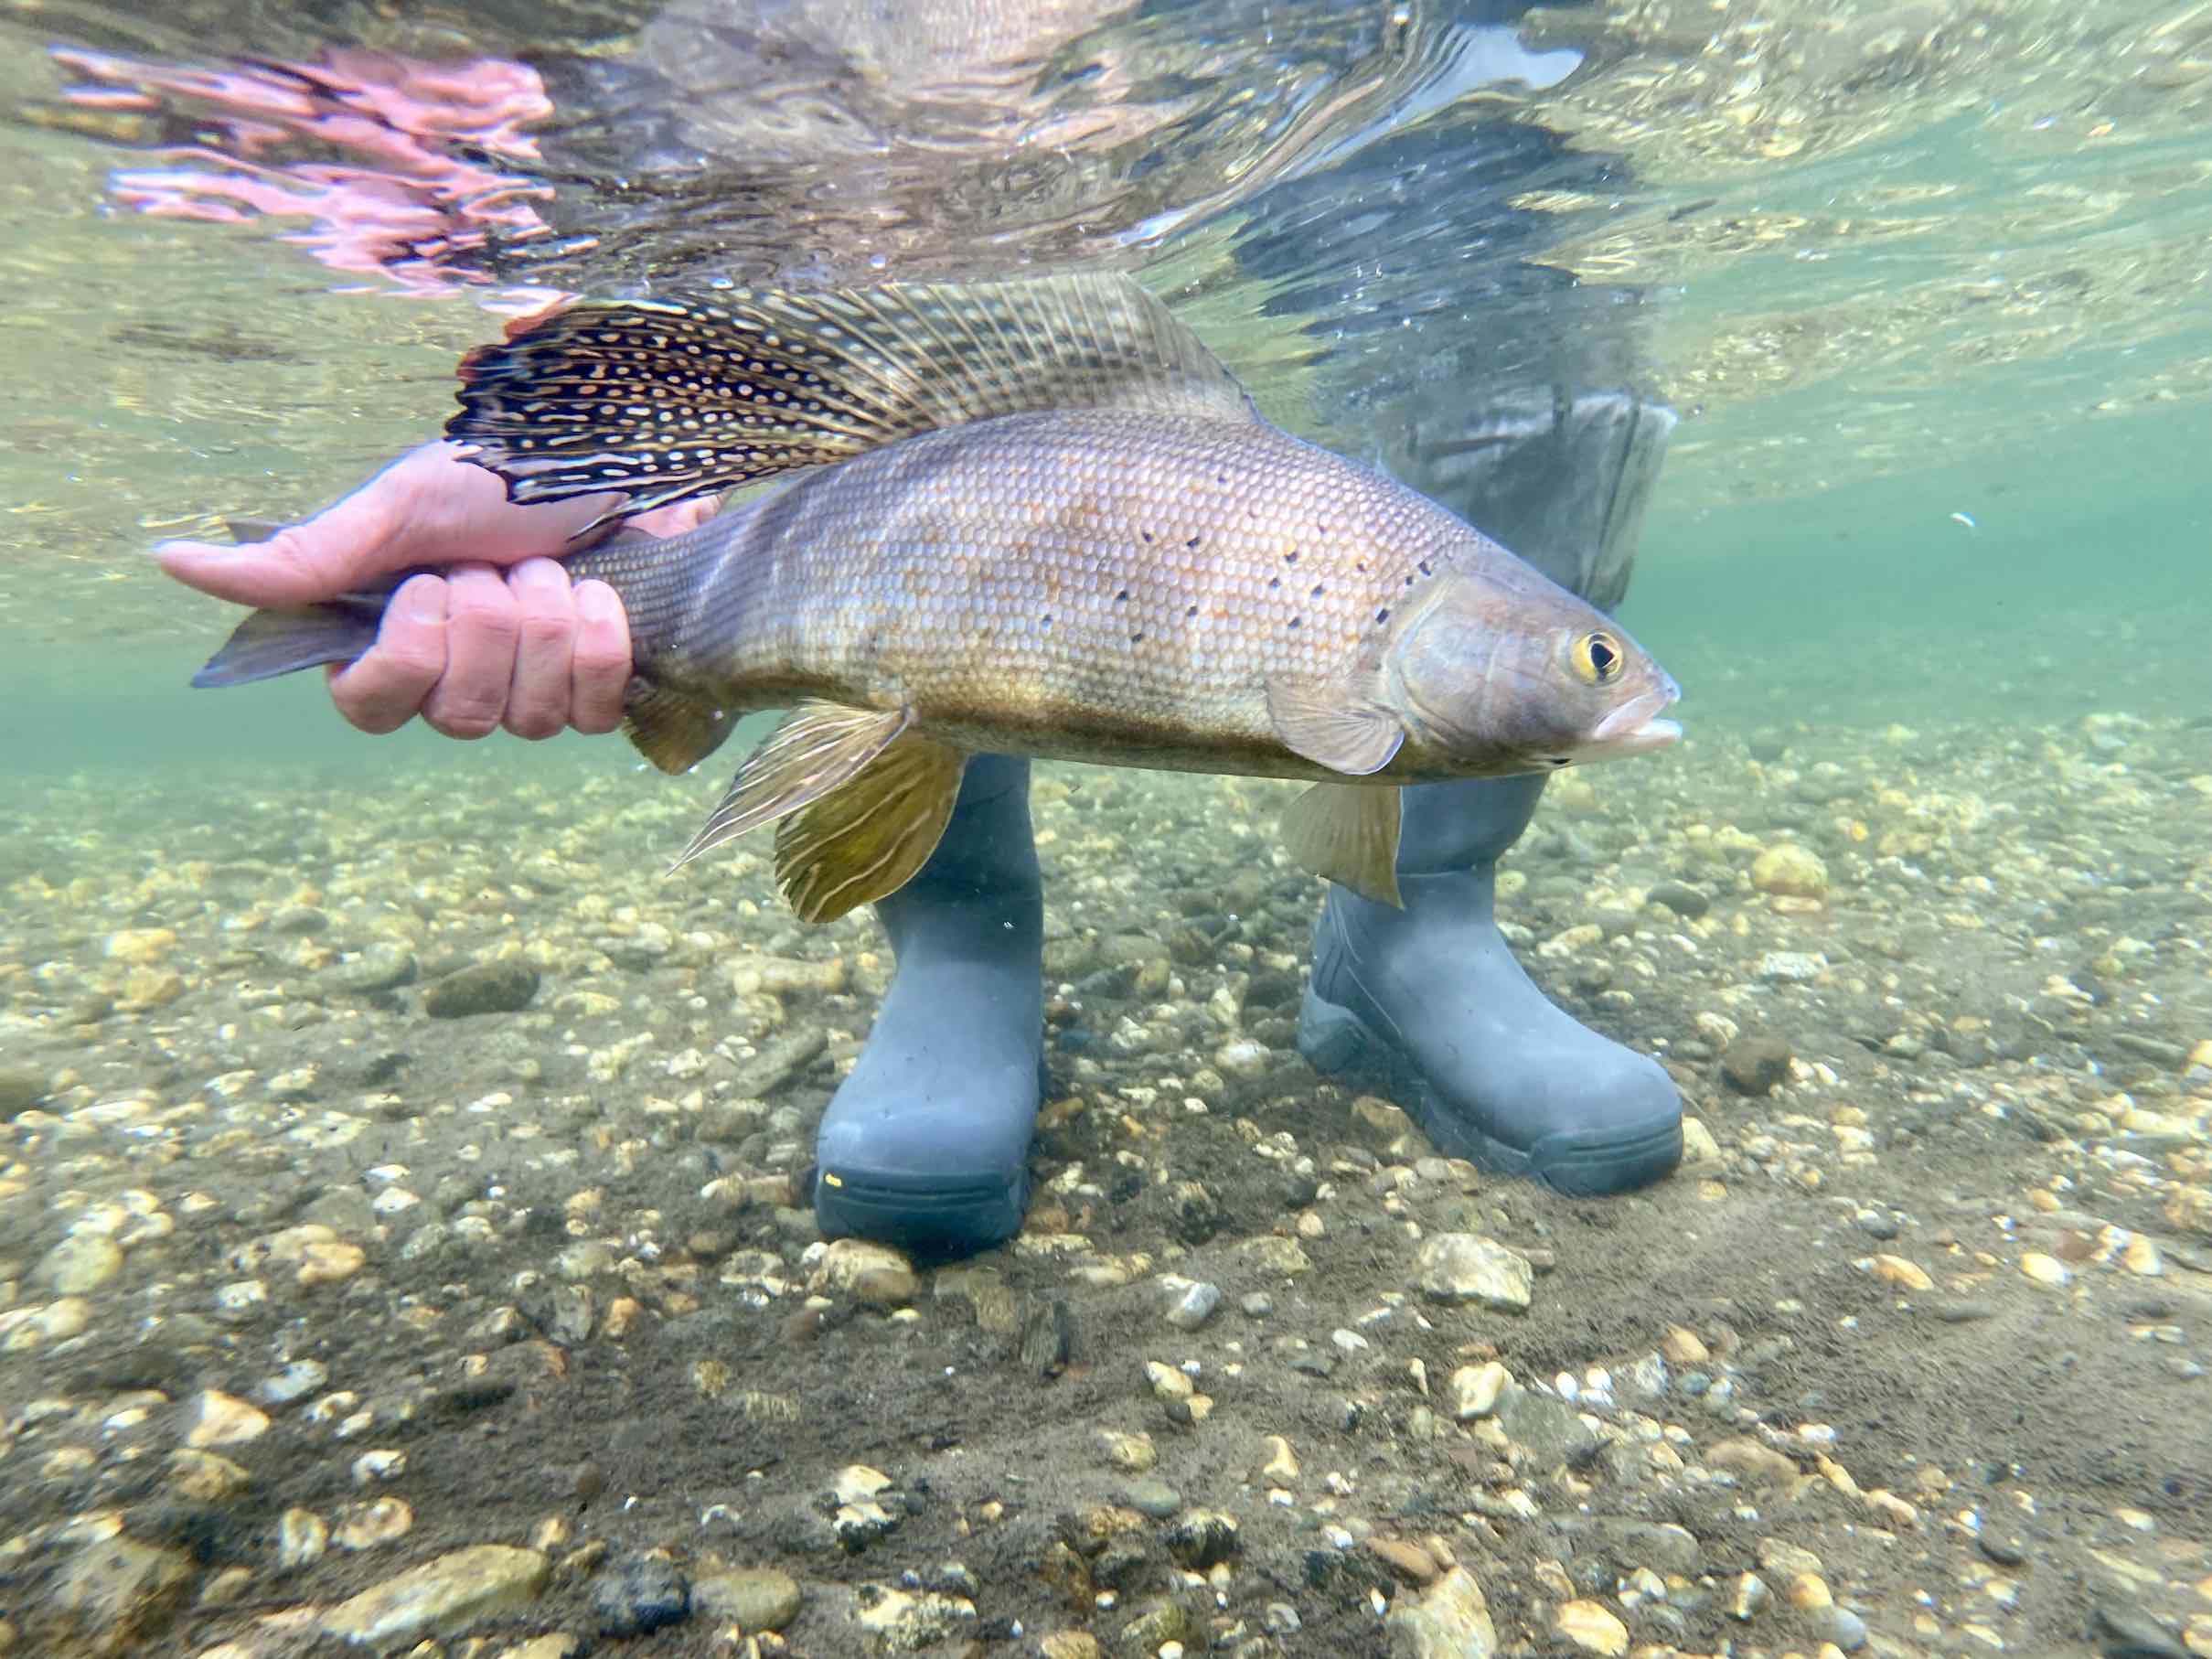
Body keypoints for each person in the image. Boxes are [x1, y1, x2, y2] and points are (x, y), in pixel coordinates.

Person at [149, 4, 1684, 1260]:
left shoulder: (1387, 651)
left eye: (1592, 656)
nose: (1609, 673)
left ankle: (1419, 928)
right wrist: (601, 487)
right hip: (846, 229)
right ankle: (963, 945)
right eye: (1588, 659)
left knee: (1547, 377)